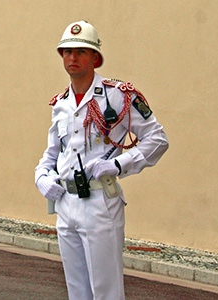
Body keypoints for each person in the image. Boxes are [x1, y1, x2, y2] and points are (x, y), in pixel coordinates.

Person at [35, 20, 169, 300]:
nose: (73, 57)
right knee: (77, 291)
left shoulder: (118, 96)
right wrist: (42, 176)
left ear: (95, 57)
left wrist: (119, 165)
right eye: (67, 51)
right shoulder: (60, 104)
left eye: (81, 51)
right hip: (66, 202)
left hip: (99, 202)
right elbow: (53, 152)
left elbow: (157, 140)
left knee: (106, 292)